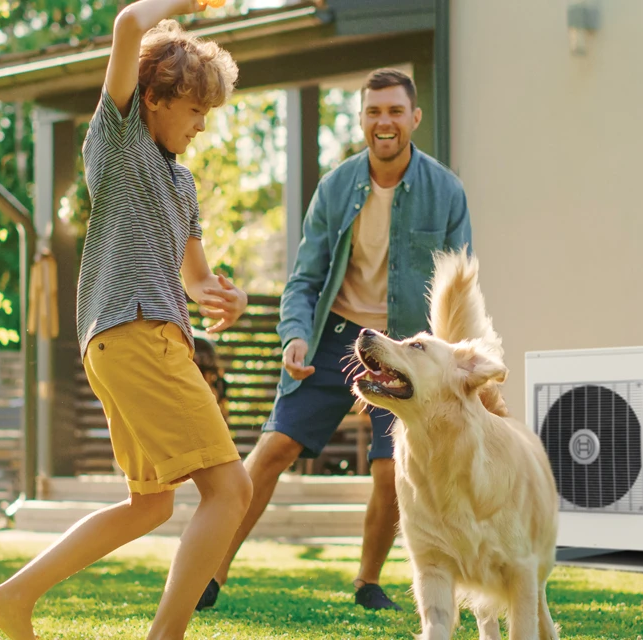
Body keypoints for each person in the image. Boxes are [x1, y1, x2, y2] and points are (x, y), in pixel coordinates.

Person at [0, 2, 251, 638]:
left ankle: (13, 599)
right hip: (136, 333)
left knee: (150, 505)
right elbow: (129, 24)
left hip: (137, 339)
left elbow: (197, 277)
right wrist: (183, 6)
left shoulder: (181, 185)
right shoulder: (119, 144)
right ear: (154, 97)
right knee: (230, 491)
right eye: (195, 111)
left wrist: (223, 298)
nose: (202, 126)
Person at [200, 68, 473, 612]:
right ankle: (210, 572)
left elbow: (458, 292)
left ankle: (367, 582)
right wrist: (295, 336)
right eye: (374, 112)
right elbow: (303, 279)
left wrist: (451, 363)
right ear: (363, 120)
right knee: (274, 449)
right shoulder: (336, 187)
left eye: (395, 111)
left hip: (403, 349)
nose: (385, 122)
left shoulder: (446, 192)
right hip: (336, 335)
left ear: (414, 118)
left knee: (393, 469)